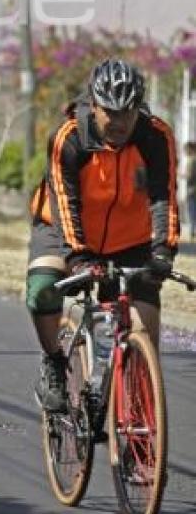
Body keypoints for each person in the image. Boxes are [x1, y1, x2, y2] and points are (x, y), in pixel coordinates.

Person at [26, 58, 179, 414]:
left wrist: (163, 249)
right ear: (93, 105)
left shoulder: (156, 136)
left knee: (143, 331)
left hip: (131, 239)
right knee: (42, 290)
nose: (119, 122)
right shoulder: (69, 137)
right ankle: (53, 364)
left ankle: (139, 432)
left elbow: (164, 196)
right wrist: (78, 257)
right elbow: (65, 203)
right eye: (109, 111)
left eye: (128, 112)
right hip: (63, 228)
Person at [184, 141, 196, 241]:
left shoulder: (192, 161)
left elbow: (190, 176)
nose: (185, 152)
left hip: (192, 190)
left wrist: (181, 175)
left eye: (186, 149)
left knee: (192, 212)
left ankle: (192, 232)